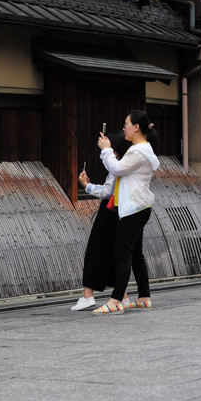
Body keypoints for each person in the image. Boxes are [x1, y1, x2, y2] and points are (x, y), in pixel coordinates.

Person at [92, 110, 160, 315]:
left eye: (126, 124)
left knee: (122, 254)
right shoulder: (142, 149)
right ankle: (144, 296)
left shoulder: (138, 152)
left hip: (133, 208)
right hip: (139, 207)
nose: (124, 128)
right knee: (135, 254)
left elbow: (117, 169)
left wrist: (106, 150)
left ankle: (115, 300)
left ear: (136, 127)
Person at [70, 130, 132, 311]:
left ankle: (88, 295)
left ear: (116, 150)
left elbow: (106, 192)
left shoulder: (117, 166)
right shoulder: (129, 163)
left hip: (109, 211)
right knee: (117, 254)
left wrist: (86, 185)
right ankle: (123, 295)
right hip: (123, 211)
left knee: (94, 251)